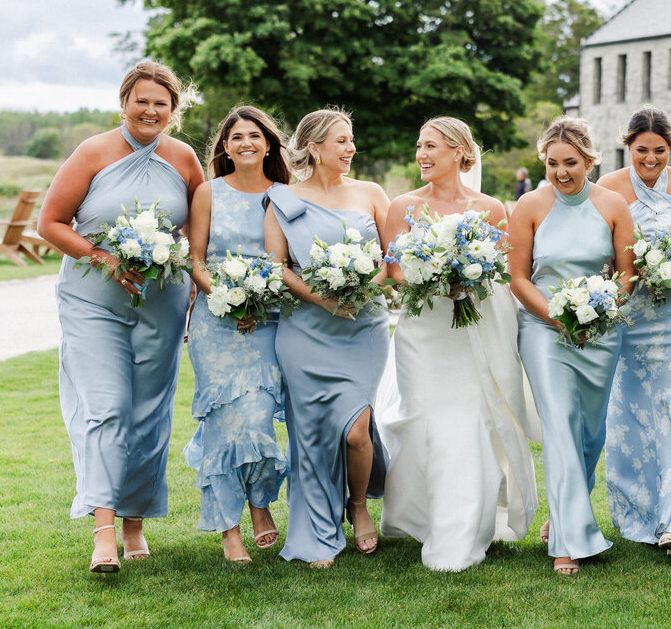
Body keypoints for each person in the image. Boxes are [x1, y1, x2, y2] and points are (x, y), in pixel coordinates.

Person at [38, 61, 204, 574]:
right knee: (106, 409)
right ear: (124, 102)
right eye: (142, 100)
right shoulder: (93, 151)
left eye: (161, 103)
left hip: (162, 304)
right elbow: (49, 223)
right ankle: (104, 531)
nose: (150, 110)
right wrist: (106, 258)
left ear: (173, 111)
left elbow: (200, 232)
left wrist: (201, 287)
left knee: (148, 416)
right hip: (92, 302)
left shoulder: (185, 159)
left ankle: (135, 520)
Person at [376, 117, 539, 572]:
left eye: (431, 146)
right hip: (421, 332)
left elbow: (503, 272)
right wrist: (431, 275)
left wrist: (465, 282)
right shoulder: (402, 205)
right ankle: (420, 518)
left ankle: (459, 532)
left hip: (469, 333)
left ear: (460, 153)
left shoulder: (489, 208)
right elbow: (393, 271)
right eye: (419, 146)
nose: (421, 155)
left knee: (465, 427)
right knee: (422, 421)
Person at [263, 108, 391, 568]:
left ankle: (357, 505)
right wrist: (323, 298)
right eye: (341, 140)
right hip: (305, 329)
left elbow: (392, 262)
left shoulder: (372, 193)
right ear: (314, 146)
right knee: (313, 434)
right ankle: (318, 527)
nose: (351, 147)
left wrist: (362, 290)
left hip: (363, 327)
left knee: (357, 431)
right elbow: (277, 265)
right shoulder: (282, 198)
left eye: (352, 139)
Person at [510, 117, 636, 575]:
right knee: (560, 425)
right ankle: (569, 541)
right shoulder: (529, 205)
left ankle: (563, 515)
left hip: (601, 331)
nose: (561, 172)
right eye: (552, 163)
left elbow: (626, 276)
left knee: (588, 432)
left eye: (570, 163)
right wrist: (556, 317)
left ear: (589, 160)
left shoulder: (614, 205)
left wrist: (600, 310)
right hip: (543, 329)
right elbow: (518, 277)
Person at [596, 107, 671, 555]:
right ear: (627, 147)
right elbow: (599, 249)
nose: (650, 159)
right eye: (642, 150)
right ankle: (638, 513)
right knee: (628, 410)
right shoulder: (607, 187)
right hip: (630, 311)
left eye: (660, 151)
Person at [183, 106, 291, 563]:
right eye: (236, 137)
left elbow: (287, 263)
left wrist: (258, 302)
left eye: (254, 135)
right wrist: (229, 300)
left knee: (256, 419)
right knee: (225, 425)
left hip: (267, 323)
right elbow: (197, 259)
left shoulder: (287, 195)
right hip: (216, 323)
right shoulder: (208, 192)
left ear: (268, 143)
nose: (246, 143)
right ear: (224, 147)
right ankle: (231, 529)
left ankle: (260, 503)